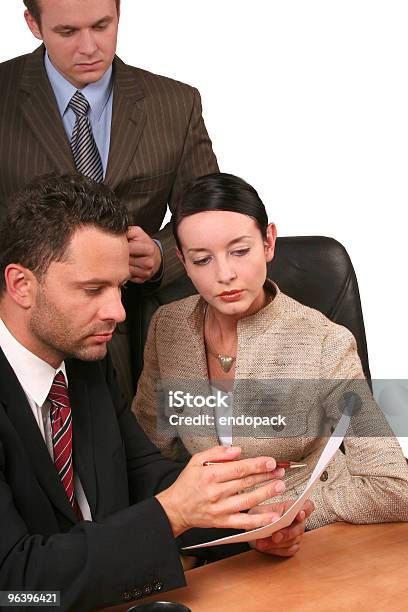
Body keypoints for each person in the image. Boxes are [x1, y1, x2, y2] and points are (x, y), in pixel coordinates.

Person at [0, 174, 314, 611]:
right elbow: (13, 584)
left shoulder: (82, 359)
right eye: (92, 290)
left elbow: (143, 475)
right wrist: (173, 514)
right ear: (21, 285)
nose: (117, 312)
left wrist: (246, 522)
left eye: (119, 288)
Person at [133, 172, 408, 530]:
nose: (225, 274)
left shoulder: (325, 342)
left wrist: (297, 511)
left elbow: (395, 485)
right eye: (202, 260)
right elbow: (146, 454)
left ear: (268, 243)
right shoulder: (167, 328)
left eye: (240, 251)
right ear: (183, 262)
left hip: (310, 537)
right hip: (212, 536)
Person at [0, 0, 218, 400]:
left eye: (102, 26)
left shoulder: (175, 104)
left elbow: (213, 214)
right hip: (25, 332)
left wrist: (160, 253)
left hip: (134, 332)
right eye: (68, 33)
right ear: (33, 23)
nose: (89, 47)